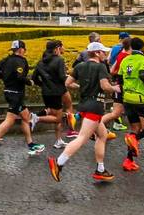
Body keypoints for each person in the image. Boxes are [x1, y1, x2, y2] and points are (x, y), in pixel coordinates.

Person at [47, 42, 119, 183]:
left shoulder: (80, 66)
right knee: (82, 138)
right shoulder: (101, 67)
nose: (106, 54)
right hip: (95, 106)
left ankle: (100, 169)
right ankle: (59, 163)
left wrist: (82, 87)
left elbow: (67, 83)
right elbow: (105, 86)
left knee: (102, 135)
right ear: (97, 53)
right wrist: (115, 88)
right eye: (103, 52)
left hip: (84, 105)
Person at [0, 40, 45, 157]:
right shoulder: (21, 61)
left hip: (8, 91)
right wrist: (30, 82)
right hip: (16, 93)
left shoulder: (6, 59)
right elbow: (20, 77)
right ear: (21, 49)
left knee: (25, 116)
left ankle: (31, 144)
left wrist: (6, 78)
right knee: (10, 119)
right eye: (24, 49)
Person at [116, 37, 144, 172]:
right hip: (140, 99)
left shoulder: (125, 60)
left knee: (135, 128)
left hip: (127, 99)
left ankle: (128, 161)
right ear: (142, 48)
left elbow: (119, 79)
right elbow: (142, 75)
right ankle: (134, 138)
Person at [32, 40, 70, 148]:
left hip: (46, 92)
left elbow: (34, 78)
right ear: (56, 49)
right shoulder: (59, 60)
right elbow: (62, 77)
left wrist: (43, 85)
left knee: (55, 114)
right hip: (57, 92)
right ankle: (36, 118)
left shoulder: (40, 62)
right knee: (58, 118)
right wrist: (71, 81)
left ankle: (58, 140)